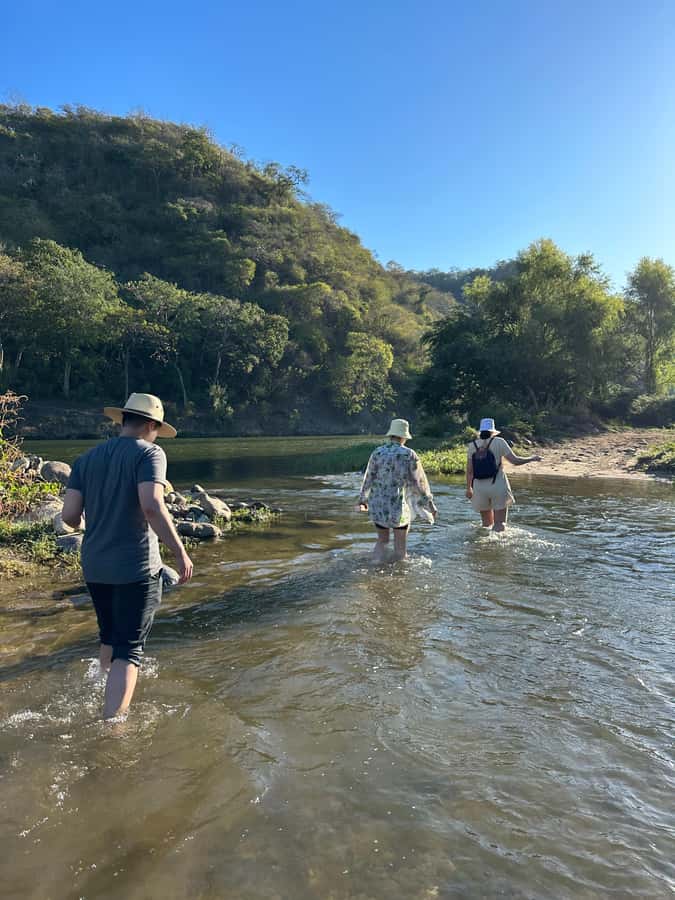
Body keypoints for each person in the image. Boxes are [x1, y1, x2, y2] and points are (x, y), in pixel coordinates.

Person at [61, 393, 194, 720]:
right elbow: (151, 505)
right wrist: (180, 553)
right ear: (151, 425)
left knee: (109, 635)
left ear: (123, 420)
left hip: (94, 564)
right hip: (135, 567)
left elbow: (69, 515)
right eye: (156, 429)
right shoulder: (150, 453)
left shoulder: (86, 459)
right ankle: (113, 729)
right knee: (129, 651)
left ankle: (103, 689)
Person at [359, 418, 438, 562]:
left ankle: (374, 566)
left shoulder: (377, 452)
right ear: (403, 436)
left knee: (382, 541)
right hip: (398, 505)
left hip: (378, 504)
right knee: (400, 547)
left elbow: (368, 477)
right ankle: (399, 577)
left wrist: (363, 500)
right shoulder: (409, 454)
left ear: (391, 435)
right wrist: (430, 504)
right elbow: (419, 482)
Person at [465, 417, 542, 533]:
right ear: (493, 431)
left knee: (486, 525)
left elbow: (470, 471)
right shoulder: (499, 442)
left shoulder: (472, 446)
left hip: (479, 488)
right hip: (497, 485)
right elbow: (515, 461)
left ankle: (485, 546)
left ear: (480, 431)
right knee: (500, 523)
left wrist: (469, 489)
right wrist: (531, 458)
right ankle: (497, 545)